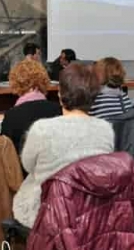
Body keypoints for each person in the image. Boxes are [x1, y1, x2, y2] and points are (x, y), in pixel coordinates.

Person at [13, 64, 115, 227]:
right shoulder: (106, 129)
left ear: (60, 95)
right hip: (90, 209)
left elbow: (27, 166)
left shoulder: (41, 129)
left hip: (46, 211)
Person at [0, 59, 61, 154]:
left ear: (15, 82)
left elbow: (4, 152)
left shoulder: (12, 115)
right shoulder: (58, 109)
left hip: (22, 167)